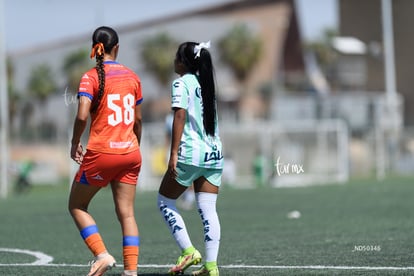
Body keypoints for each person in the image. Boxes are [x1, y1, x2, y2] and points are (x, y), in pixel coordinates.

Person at [68, 26, 143, 276]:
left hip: (102, 154)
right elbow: (138, 121)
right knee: (127, 214)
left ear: (94, 49)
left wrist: (75, 142)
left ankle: (102, 255)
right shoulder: (133, 77)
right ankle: (131, 272)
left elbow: (81, 116)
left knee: (77, 205)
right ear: (117, 48)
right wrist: (134, 146)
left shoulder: (90, 77)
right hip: (131, 153)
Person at [157, 41, 223, 276]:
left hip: (190, 154)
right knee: (208, 210)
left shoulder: (181, 83)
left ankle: (188, 251)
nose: (174, 60)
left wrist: (173, 153)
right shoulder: (207, 84)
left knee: (164, 202)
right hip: (214, 154)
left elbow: (180, 116)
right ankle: (212, 267)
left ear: (183, 62)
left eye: (176, 56)